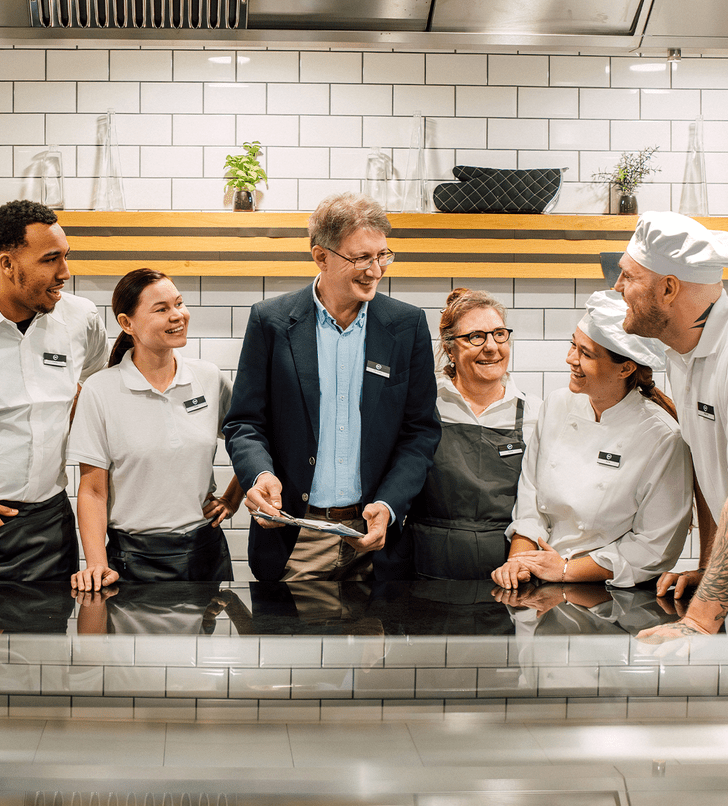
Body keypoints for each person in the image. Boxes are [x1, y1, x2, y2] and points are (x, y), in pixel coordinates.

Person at [223, 192, 440, 581]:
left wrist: (389, 506)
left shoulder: (406, 326)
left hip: (374, 537)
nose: (374, 270)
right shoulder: (271, 322)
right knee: (293, 642)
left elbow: (420, 431)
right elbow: (244, 424)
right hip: (294, 534)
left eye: (382, 255)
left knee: (373, 641)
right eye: (360, 258)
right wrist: (259, 476)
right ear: (321, 256)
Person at [491, 289, 692, 590]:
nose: (570, 359)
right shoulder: (557, 405)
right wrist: (518, 562)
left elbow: (653, 547)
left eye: (586, 353)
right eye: (574, 345)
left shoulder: (662, 438)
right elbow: (531, 498)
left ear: (625, 367)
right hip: (540, 582)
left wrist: (567, 570)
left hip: (611, 596)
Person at [67, 268, 244, 590]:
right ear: (126, 323)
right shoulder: (100, 390)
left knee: (208, 643)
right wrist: (96, 564)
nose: (178, 315)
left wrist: (233, 498)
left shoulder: (208, 378)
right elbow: (92, 491)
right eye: (162, 309)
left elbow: (252, 440)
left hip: (205, 553)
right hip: (132, 559)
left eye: (179, 303)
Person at [613, 211, 728, 639]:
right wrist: (711, 571)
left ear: (668, 288)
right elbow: (711, 470)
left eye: (627, 277)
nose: (617, 288)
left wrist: (699, 620)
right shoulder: (682, 352)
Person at [0, 199, 107, 581]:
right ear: (7, 264)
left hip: (49, 525)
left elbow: (94, 388)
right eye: (49, 260)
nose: (64, 273)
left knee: (46, 639)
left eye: (65, 257)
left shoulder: (81, 318)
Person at [405, 288, 541, 578]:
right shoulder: (423, 404)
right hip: (422, 562)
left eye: (499, 334)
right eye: (475, 337)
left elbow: (537, 505)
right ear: (449, 347)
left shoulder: (534, 413)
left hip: (505, 569)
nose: (491, 346)